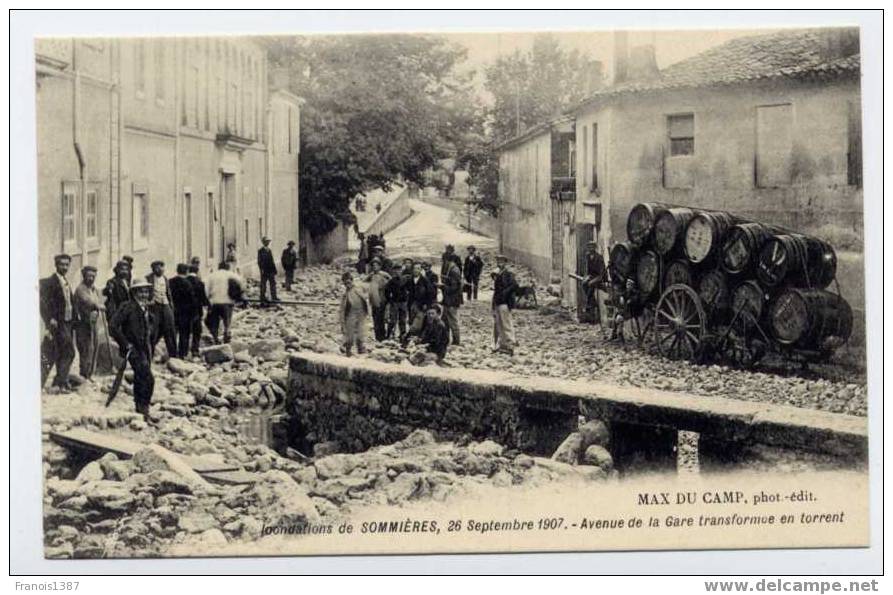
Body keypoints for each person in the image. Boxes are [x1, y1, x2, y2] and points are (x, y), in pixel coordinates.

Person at [109, 279, 158, 423]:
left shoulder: (146, 308)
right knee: (148, 379)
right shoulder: (127, 306)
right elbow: (113, 326)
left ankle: (141, 410)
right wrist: (125, 343)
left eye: (146, 291)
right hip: (133, 350)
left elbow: (149, 327)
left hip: (145, 348)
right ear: (134, 292)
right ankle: (144, 409)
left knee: (140, 378)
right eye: (140, 291)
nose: (144, 294)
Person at [40, 254, 77, 391]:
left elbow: (70, 303)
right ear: (56, 265)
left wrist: (75, 319)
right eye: (62, 264)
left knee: (64, 352)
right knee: (60, 352)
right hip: (58, 324)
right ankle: (56, 382)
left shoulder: (66, 282)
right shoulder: (50, 282)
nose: (65, 267)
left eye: (67, 264)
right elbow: (43, 303)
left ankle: (60, 381)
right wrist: (49, 318)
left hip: (67, 323)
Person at [73, 265, 106, 380]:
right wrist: (97, 305)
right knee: (86, 348)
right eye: (89, 276)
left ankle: (90, 373)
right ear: (84, 276)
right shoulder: (80, 289)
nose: (91, 278)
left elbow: (99, 299)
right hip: (82, 323)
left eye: (93, 276)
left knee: (94, 346)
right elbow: (87, 300)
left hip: (93, 322)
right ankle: (84, 374)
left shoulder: (95, 289)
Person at [145, 261, 177, 360]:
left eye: (161, 267)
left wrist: (171, 307)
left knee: (170, 330)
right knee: (153, 332)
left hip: (165, 305)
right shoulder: (148, 279)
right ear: (153, 269)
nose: (160, 270)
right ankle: (149, 355)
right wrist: (148, 303)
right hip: (154, 307)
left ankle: (173, 356)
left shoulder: (165, 279)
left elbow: (169, 294)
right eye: (157, 268)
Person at [206, 262, 243, 344]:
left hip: (214, 302)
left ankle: (215, 338)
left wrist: (208, 301)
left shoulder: (212, 275)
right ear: (228, 267)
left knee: (214, 321)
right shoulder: (232, 274)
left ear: (218, 267)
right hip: (228, 302)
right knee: (227, 321)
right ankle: (227, 335)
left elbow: (206, 289)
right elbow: (241, 283)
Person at [492, 254, 518, 355]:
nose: (499, 263)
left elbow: (514, 285)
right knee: (499, 324)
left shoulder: (508, 274)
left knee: (506, 324)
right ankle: (503, 344)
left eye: (501, 261)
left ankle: (510, 345)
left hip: (505, 302)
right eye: (498, 261)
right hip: (498, 302)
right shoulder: (498, 273)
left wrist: (504, 293)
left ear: (505, 262)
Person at [169, 263, 196, 359]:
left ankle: (172, 353)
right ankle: (182, 353)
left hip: (173, 311)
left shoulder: (170, 282)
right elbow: (192, 300)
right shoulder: (188, 283)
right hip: (185, 313)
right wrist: (194, 313)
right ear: (186, 271)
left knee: (172, 333)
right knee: (184, 334)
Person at [339, 271, 369, 356]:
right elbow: (342, 309)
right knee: (350, 334)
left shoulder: (358, 288)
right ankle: (348, 350)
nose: (347, 285)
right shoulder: (345, 295)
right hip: (351, 313)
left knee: (361, 332)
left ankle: (361, 349)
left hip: (360, 313)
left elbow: (366, 297)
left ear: (352, 281)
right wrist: (342, 321)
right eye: (345, 283)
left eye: (348, 282)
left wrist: (366, 312)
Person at [364, 257, 391, 341]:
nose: (375, 267)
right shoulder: (371, 275)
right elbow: (363, 282)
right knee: (375, 318)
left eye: (376, 265)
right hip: (373, 299)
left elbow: (392, 282)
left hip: (382, 298)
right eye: (373, 265)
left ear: (380, 266)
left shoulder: (384, 274)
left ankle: (382, 336)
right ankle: (377, 337)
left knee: (381, 318)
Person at [406, 262, 435, 339]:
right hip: (411, 304)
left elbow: (431, 293)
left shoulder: (425, 281)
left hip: (421, 305)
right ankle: (413, 338)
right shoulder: (410, 280)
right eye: (414, 268)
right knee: (411, 321)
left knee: (419, 323)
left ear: (421, 270)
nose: (416, 270)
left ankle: (418, 337)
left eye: (418, 268)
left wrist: (426, 303)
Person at [582, 241, 607, 326]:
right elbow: (587, 270)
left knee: (590, 285)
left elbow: (602, 273)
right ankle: (593, 302)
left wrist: (594, 280)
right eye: (589, 247)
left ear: (595, 248)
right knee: (584, 284)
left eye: (592, 247)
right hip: (592, 276)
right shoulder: (588, 256)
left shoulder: (599, 257)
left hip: (599, 277)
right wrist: (587, 277)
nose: (590, 249)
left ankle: (589, 308)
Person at [186, 264, 209, 356]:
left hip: (184, 311)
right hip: (196, 311)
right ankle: (194, 349)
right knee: (197, 331)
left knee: (185, 331)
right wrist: (208, 306)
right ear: (197, 272)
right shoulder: (199, 283)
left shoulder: (185, 281)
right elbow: (203, 299)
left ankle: (184, 351)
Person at [440, 256, 463, 345]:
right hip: (448, 301)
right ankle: (446, 340)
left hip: (452, 301)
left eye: (444, 261)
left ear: (448, 261)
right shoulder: (453, 269)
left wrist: (442, 286)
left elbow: (454, 288)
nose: (443, 263)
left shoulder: (454, 271)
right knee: (445, 320)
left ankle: (456, 341)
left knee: (453, 321)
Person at [384, 262, 410, 340]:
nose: (397, 272)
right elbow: (387, 291)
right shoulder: (391, 281)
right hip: (395, 302)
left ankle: (402, 335)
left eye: (399, 270)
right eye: (395, 270)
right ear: (393, 271)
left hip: (404, 302)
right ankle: (389, 334)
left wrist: (407, 297)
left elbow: (410, 289)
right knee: (393, 320)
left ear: (401, 270)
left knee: (403, 320)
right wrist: (390, 300)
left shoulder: (406, 279)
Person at [257, 236, 278, 303]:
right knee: (263, 284)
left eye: (268, 242)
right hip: (264, 270)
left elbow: (272, 261)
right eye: (266, 242)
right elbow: (259, 262)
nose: (267, 243)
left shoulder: (269, 250)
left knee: (273, 283)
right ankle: (262, 297)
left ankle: (274, 297)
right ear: (263, 242)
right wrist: (261, 270)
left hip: (271, 270)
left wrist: (274, 270)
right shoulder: (260, 251)